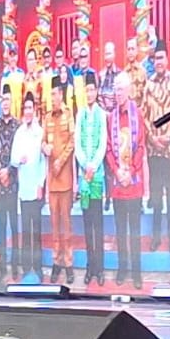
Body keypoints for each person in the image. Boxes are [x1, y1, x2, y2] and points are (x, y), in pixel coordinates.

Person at [107, 72, 147, 287]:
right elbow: (108, 149)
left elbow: (141, 145)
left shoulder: (137, 114)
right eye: (115, 89)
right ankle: (123, 269)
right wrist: (117, 172)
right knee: (121, 231)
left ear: (129, 90)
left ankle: (136, 271)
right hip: (118, 185)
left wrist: (130, 171)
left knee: (135, 231)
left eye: (121, 89)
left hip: (133, 183)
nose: (118, 93)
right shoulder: (111, 117)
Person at [142, 41, 170, 255]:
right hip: (153, 149)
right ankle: (156, 236)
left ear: (167, 59)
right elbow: (144, 115)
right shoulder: (148, 85)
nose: (159, 61)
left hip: (168, 149)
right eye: (156, 58)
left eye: (162, 58)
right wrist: (152, 137)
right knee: (156, 194)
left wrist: (167, 137)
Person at [74, 71, 108, 285]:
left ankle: (100, 268)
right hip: (84, 176)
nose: (89, 93)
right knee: (87, 223)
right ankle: (90, 267)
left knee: (98, 223)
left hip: (96, 175)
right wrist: (85, 164)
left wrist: (93, 165)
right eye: (86, 90)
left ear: (96, 92)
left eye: (92, 90)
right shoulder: (80, 115)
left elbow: (103, 142)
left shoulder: (101, 115)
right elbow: (77, 142)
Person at [43, 76, 76, 284]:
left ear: (61, 94)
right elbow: (43, 141)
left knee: (66, 225)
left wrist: (60, 161)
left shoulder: (68, 115)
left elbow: (72, 141)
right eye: (51, 94)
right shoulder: (47, 117)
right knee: (54, 226)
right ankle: (56, 262)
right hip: (52, 183)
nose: (52, 98)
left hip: (65, 179)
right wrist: (44, 147)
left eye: (54, 94)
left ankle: (69, 263)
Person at [11, 93, 46, 281]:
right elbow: (13, 160)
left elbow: (43, 162)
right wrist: (19, 159)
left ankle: (38, 267)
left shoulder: (40, 132)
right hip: (24, 190)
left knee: (36, 231)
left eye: (30, 108)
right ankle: (26, 267)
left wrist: (41, 184)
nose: (28, 111)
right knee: (26, 230)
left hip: (36, 189)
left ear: (35, 110)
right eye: (25, 108)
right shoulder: (19, 133)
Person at [0, 81, 20, 279]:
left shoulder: (17, 125)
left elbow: (18, 152)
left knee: (14, 226)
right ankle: (2, 264)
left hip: (13, 184)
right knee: (2, 226)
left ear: (12, 102)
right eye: (3, 101)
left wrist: (9, 171)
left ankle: (15, 264)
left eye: (8, 100)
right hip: (1, 185)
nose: (5, 104)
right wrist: (1, 172)